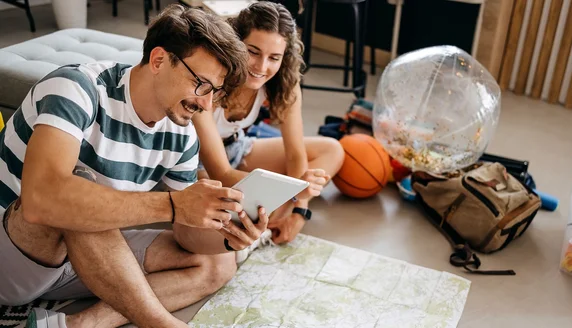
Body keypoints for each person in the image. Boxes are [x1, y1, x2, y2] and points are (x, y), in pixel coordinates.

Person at [0, 5, 268, 328]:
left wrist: (228, 234)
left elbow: (186, 233)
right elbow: (42, 199)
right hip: (13, 259)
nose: (206, 104)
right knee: (75, 186)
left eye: (216, 92)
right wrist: (171, 205)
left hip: (80, 261)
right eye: (201, 84)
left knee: (219, 263)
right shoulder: (76, 89)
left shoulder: (181, 133)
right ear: (158, 60)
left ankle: (78, 325)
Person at [193, 2, 345, 246]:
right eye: (253, 51)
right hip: (199, 163)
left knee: (333, 150)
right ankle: (273, 215)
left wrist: (300, 209)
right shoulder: (212, 77)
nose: (261, 67)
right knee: (223, 205)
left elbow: (296, 154)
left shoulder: (283, 82)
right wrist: (294, 192)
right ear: (235, 42)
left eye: (274, 57)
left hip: (238, 148)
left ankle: (278, 215)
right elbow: (220, 172)